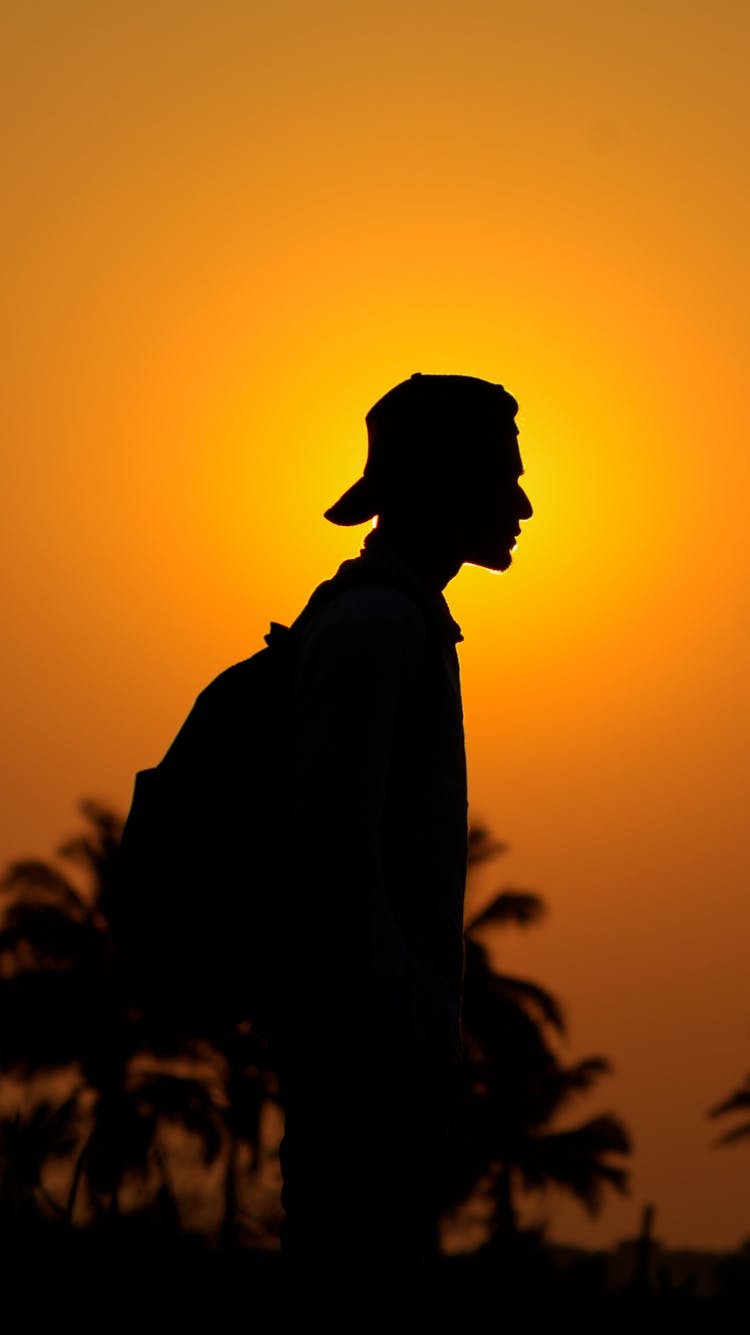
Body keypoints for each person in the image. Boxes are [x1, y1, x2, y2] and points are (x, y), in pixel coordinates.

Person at [270, 373, 532, 1311]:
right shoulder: (380, 627)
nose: (524, 506)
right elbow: (332, 854)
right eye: (502, 481)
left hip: (371, 1050)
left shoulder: (392, 619)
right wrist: (400, 1021)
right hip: (363, 1061)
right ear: (435, 482)